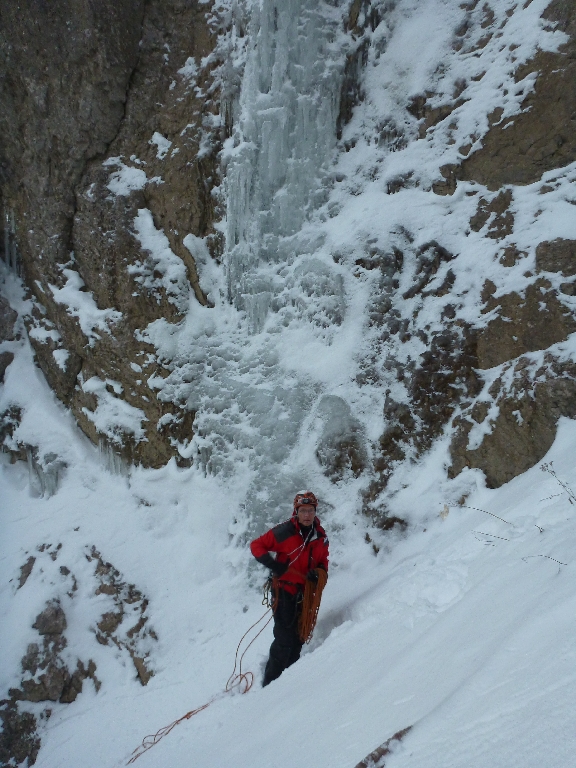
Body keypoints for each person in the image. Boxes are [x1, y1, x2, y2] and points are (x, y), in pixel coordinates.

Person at [250, 490, 329, 686]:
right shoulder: (284, 532)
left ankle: (290, 683)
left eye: (310, 510)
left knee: (298, 639)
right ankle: (270, 682)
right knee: (284, 639)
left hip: (305, 593)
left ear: (315, 512)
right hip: (284, 591)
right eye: (303, 511)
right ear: (296, 512)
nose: (307, 515)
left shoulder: (320, 537)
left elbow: (324, 563)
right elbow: (257, 545)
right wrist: (273, 564)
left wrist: (317, 573)